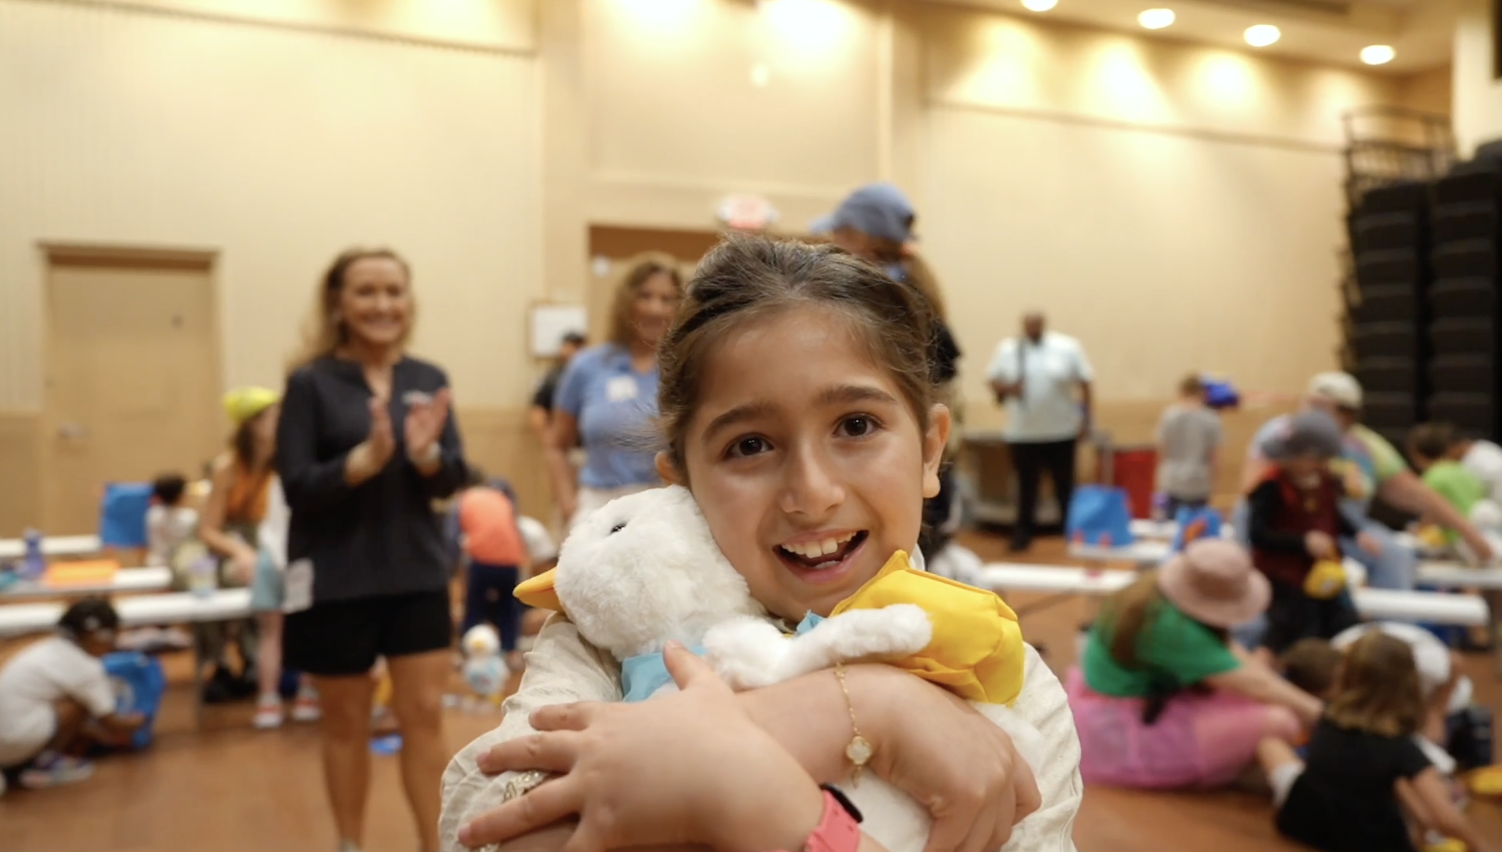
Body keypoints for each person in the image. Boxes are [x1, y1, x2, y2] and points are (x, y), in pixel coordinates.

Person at [442, 236, 1078, 852]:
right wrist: (864, 710)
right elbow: (483, 819)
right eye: (749, 445)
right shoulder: (611, 637)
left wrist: (721, 767)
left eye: (856, 425)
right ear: (683, 482)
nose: (813, 493)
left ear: (930, 450)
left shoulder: (1006, 675)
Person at [278, 247, 470, 852]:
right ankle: (349, 843)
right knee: (345, 723)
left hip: (416, 574)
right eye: (366, 291)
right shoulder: (309, 383)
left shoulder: (428, 377)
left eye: (394, 291)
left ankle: (437, 844)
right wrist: (359, 463)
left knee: (425, 717)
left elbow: (452, 477)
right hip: (335, 580)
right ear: (338, 303)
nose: (383, 304)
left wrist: (426, 457)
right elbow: (296, 486)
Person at [1068, 539, 1320, 790]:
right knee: (1280, 721)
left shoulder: (1152, 593)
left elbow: (1240, 665)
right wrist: (1325, 717)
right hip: (1125, 729)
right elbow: (1258, 685)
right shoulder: (1172, 627)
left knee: (1261, 703)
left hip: (1123, 704)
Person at [814, 182, 964, 559]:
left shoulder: (884, 302)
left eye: (840, 232)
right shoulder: (908, 287)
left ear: (862, 237)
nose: (833, 241)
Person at [1239, 373, 1494, 593]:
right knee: (1250, 529)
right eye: (1314, 404)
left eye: (1342, 411)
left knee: (1394, 553)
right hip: (1284, 521)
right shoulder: (1280, 433)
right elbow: (1253, 490)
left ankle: (1390, 627)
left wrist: (1470, 536)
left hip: (1340, 524)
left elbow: (1418, 494)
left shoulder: (1366, 446)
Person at [1257, 632, 1496, 852]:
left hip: (1301, 821)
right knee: (1422, 794)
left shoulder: (1328, 718)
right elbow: (1446, 819)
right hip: (1363, 840)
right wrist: (1481, 846)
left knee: (1271, 745)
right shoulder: (1400, 748)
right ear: (1408, 682)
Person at [545, 255, 681, 530]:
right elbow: (556, 445)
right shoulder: (587, 366)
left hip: (664, 507)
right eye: (645, 296)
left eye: (667, 299)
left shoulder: (684, 370)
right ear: (626, 301)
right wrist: (569, 506)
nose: (655, 308)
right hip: (597, 506)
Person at [1246, 410, 1378, 655]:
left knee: (1342, 622)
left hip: (1323, 572)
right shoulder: (1271, 487)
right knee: (1296, 631)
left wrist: (1357, 533)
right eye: (1317, 460)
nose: (1322, 466)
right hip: (1286, 579)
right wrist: (1302, 542)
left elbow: (1333, 515)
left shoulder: (1324, 482)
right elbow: (1258, 534)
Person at [196, 386, 284, 705]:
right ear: (252, 424)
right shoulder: (227, 468)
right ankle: (218, 661)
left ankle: (258, 662)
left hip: (276, 542)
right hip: (232, 545)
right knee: (215, 580)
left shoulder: (287, 463)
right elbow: (208, 530)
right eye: (273, 417)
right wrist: (241, 551)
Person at [0, 599, 146, 790]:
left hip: (8, 737)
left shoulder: (47, 648)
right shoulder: (85, 667)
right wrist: (137, 722)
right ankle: (42, 763)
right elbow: (111, 723)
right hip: (14, 743)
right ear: (99, 636)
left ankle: (18, 761)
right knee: (77, 705)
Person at [987, 312, 1094, 553]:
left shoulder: (1066, 347)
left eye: (1036, 324)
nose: (1032, 328)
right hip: (1022, 434)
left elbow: (1086, 382)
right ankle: (1023, 534)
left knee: (1065, 487)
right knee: (1026, 488)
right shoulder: (1009, 349)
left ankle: (1072, 534)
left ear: (1043, 324)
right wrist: (1008, 388)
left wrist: (1086, 420)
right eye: (1028, 324)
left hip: (1061, 432)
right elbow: (992, 380)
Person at [248, 466, 320, 730]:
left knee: (270, 634)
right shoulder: (311, 473)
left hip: (269, 557)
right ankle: (307, 697)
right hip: (301, 558)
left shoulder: (276, 476)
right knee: (310, 628)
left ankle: (268, 702)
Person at [457, 467, 528, 671]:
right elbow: (514, 526)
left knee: (474, 607)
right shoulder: (500, 498)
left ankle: (468, 654)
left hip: (483, 558)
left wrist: (450, 568)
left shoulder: (464, 500)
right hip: (511, 559)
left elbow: (452, 538)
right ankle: (511, 653)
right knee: (508, 607)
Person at [1408, 423, 1493, 545]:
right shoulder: (1461, 469)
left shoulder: (1432, 476)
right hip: (1484, 528)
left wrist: (1418, 530)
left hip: (1461, 537)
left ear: (1417, 455)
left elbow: (1432, 513)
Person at [1155, 374, 1222, 517]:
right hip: (1198, 482)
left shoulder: (1169, 416)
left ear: (1181, 392)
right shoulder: (1211, 419)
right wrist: (1213, 485)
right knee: (1196, 527)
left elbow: (1162, 451)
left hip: (1172, 480)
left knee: (1171, 526)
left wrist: (1159, 482)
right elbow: (1214, 457)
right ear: (1203, 393)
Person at [528, 331, 586, 448]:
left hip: (591, 446)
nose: (575, 351)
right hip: (566, 446)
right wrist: (550, 444)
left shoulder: (592, 376)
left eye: (579, 347)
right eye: (572, 346)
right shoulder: (553, 378)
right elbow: (538, 412)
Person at [145, 472, 197, 568]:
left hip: (156, 563)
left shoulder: (152, 514)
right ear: (180, 495)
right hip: (183, 564)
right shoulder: (190, 517)